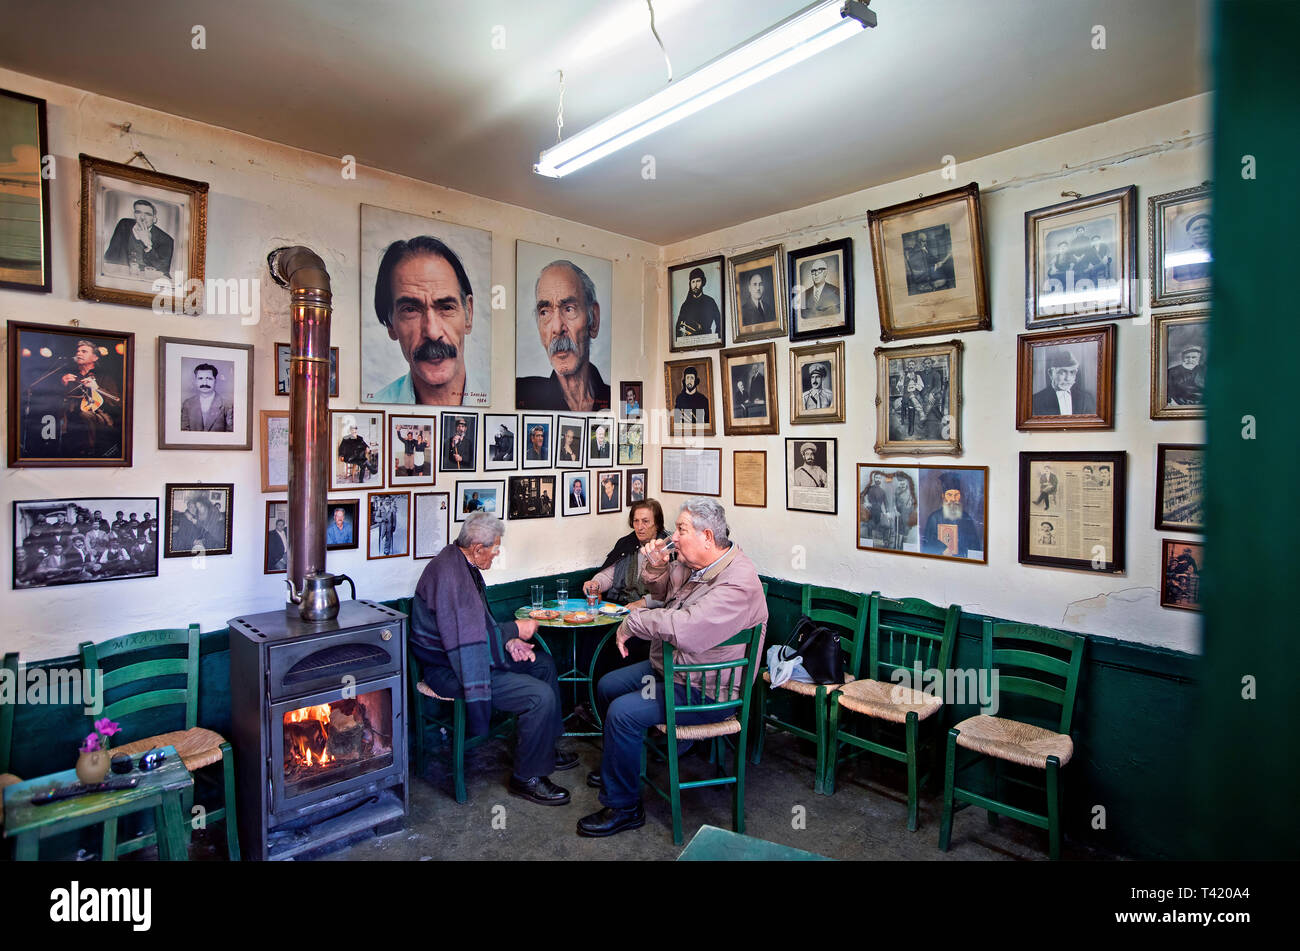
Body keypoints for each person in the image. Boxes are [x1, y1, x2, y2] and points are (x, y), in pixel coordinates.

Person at [578, 498, 768, 837]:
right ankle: (622, 766)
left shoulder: (738, 581)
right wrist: (656, 568)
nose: (674, 537)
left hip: (706, 692)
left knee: (623, 712)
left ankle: (624, 807)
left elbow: (687, 628)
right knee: (608, 685)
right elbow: (664, 594)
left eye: (680, 530)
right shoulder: (694, 563)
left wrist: (632, 622)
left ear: (707, 536)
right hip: (673, 672)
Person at [410, 513, 576, 805]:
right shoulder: (450, 575)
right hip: (450, 669)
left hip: (468, 655)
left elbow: (476, 627)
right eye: (495, 549)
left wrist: (509, 641)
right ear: (477, 548)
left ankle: (543, 748)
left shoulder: (463, 564)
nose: (496, 555)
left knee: (543, 665)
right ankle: (527, 778)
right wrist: (516, 629)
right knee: (539, 696)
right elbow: (463, 643)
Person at [372, 236, 478, 405]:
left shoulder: (505, 396)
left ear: (468, 314)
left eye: (446, 308)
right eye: (410, 310)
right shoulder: (376, 405)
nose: (432, 332)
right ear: (391, 324)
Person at [517, 260, 611, 411]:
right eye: (545, 312)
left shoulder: (615, 400)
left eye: (569, 309)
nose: (557, 328)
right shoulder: (522, 394)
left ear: (594, 319)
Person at [584, 499, 667, 607]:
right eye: (636, 521)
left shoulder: (667, 549)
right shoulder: (626, 543)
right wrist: (595, 584)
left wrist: (643, 603)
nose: (639, 527)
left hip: (648, 612)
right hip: (618, 606)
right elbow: (609, 575)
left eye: (645, 521)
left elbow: (671, 592)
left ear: (657, 524)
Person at [57, 339, 121, 458]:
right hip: (69, 415)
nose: (79, 353)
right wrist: (62, 385)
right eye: (78, 351)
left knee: (85, 415)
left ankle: (90, 452)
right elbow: (55, 400)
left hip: (97, 416)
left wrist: (96, 388)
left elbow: (115, 401)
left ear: (95, 358)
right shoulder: (69, 376)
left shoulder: (104, 377)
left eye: (84, 351)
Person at [103, 198, 174, 274]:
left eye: (148, 214)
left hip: (147, 278)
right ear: (134, 215)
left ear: (154, 219)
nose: (142, 217)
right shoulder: (124, 224)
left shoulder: (166, 240)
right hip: (121, 274)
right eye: (138, 212)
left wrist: (148, 245)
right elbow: (110, 255)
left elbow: (163, 270)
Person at [921, 473, 981, 558]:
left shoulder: (966, 518)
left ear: (960, 497)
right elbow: (928, 543)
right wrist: (942, 549)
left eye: (956, 495)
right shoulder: (934, 518)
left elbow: (974, 545)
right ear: (943, 497)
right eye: (949, 495)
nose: (953, 499)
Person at [1032, 348, 1095, 416]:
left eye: (1072, 372)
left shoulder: (1086, 399)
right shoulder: (1036, 401)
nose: (1068, 379)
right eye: (1062, 372)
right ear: (1051, 373)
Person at [180, 363, 234, 432]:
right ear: (195, 381)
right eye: (200, 378)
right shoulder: (187, 403)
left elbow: (231, 434)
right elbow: (184, 431)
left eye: (209, 379)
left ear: (215, 381)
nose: (204, 383)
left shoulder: (227, 404)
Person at [674, 266, 720, 340]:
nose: (695, 285)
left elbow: (719, 323)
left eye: (698, 281)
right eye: (693, 282)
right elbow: (678, 328)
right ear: (690, 284)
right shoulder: (685, 305)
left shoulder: (710, 301)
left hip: (707, 341)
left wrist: (716, 339)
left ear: (703, 282)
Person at [1171, 213, 1211, 283]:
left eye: (1206, 227)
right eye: (1196, 229)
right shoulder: (1179, 258)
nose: (1201, 232)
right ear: (1189, 233)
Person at [337, 418, 373, 483]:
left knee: (363, 464)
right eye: (352, 431)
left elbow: (365, 444)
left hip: (358, 457)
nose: (354, 433)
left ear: (356, 431)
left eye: (355, 431)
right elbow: (341, 447)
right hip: (350, 457)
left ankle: (361, 480)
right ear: (350, 431)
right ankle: (371, 470)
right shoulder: (346, 438)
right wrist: (341, 455)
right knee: (364, 462)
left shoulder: (360, 438)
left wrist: (367, 447)